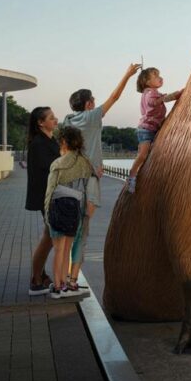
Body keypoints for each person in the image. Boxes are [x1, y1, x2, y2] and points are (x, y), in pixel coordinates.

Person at [62, 62, 140, 291]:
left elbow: (65, 151)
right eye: (93, 100)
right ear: (88, 104)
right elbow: (115, 97)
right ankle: (72, 279)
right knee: (82, 229)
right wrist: (128, 74)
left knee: (69, 230)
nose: (96, 103)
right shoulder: (92, 117)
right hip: (89, 180)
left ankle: (63, 277)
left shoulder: (68, 120)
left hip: (68, 179)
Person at [44, 126, 94, 299]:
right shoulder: (85, 163)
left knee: (58, 250)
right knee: (66, 250)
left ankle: (57, 287)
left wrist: (47, 215)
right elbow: (87, 189)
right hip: (75, 211)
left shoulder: (58, 164)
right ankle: (65, 284)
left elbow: (49, 191)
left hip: (58, 209)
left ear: (64, 142)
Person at [127, 66, 184, 192]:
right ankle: (132, 175)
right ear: (147, 82)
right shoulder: (149, 93)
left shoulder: (153, 93)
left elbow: (161, 100)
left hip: (155, 128)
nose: (160, 77)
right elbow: (154, 103)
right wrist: (175, 95)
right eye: (156, 76)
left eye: (159, 75)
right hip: (146, 130)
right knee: (143, 155)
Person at [25, 107, 59, 295]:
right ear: (40, 122)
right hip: (47, 196)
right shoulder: (39, 143)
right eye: (51, 117)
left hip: (52, 195)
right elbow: (52, 167)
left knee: (49, 236)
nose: (55, 120)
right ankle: (36, 279)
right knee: (49, 237)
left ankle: (41, 275)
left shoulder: (50, 140)